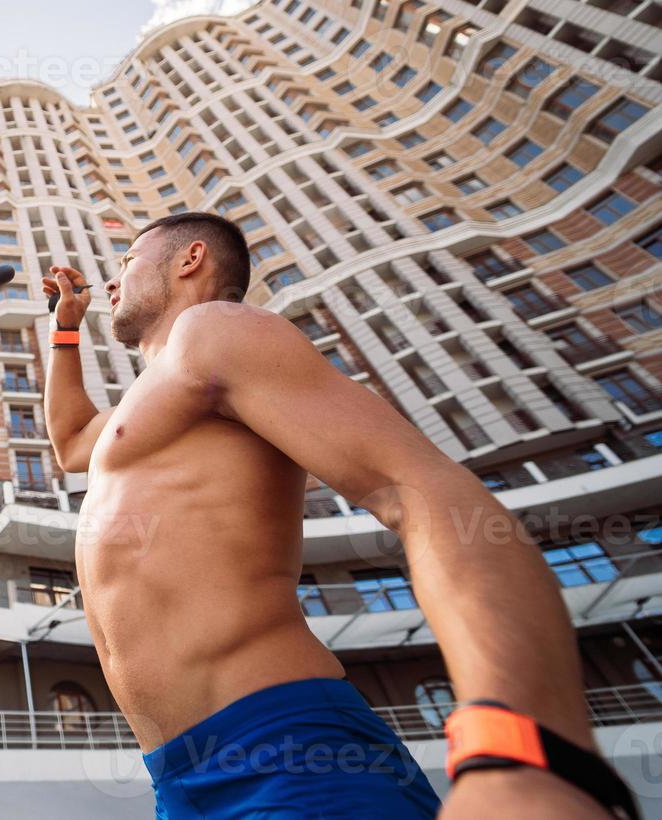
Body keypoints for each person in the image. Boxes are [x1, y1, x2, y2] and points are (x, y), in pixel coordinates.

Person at [42, 212, 633, 819]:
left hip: (286, 748)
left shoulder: (215, 332)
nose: (112, 282)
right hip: (176, 779)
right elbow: (68, 445)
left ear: (190, 259)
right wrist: (66, 329)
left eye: (127, 262)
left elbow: (419, 491)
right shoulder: (147, 397)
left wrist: (527, 751)